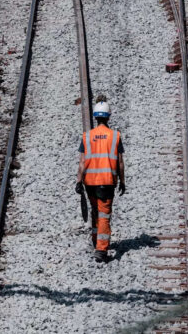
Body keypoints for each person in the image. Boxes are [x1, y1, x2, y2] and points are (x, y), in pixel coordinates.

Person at [75, 100, 125, 263]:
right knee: (104, 215)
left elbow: (82, 162)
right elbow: (120, 162)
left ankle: (95, 239)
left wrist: (78, 181)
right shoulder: (115, 136)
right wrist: (122, 181)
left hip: (90, 182)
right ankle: (101, 249)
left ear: (95, 117)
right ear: (108, 117)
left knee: (95, 210)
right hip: (107, 182)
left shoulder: (87, 136)